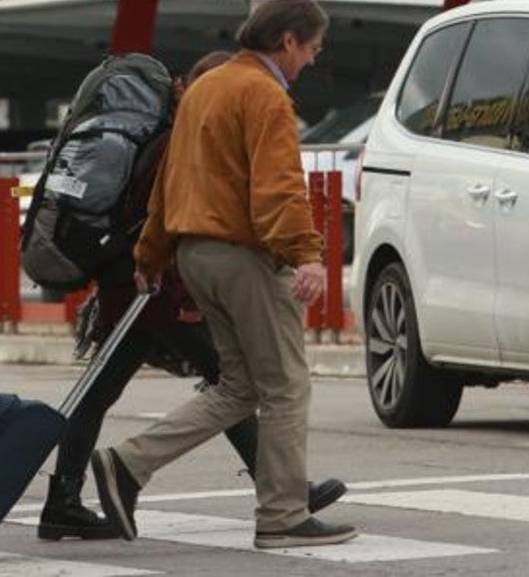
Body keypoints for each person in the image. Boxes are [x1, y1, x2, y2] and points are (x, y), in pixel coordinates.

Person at [38, 50, 347, 542]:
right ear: (193, 90)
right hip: (157, 291)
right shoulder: (172, 142)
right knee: (233, 383)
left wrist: (152, 263)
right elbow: (174, 214)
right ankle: (283, 492)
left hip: (136, 285)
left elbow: (161, 217)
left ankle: (66, 498)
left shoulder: (160, 139)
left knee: (114, 392)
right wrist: (172, 281)